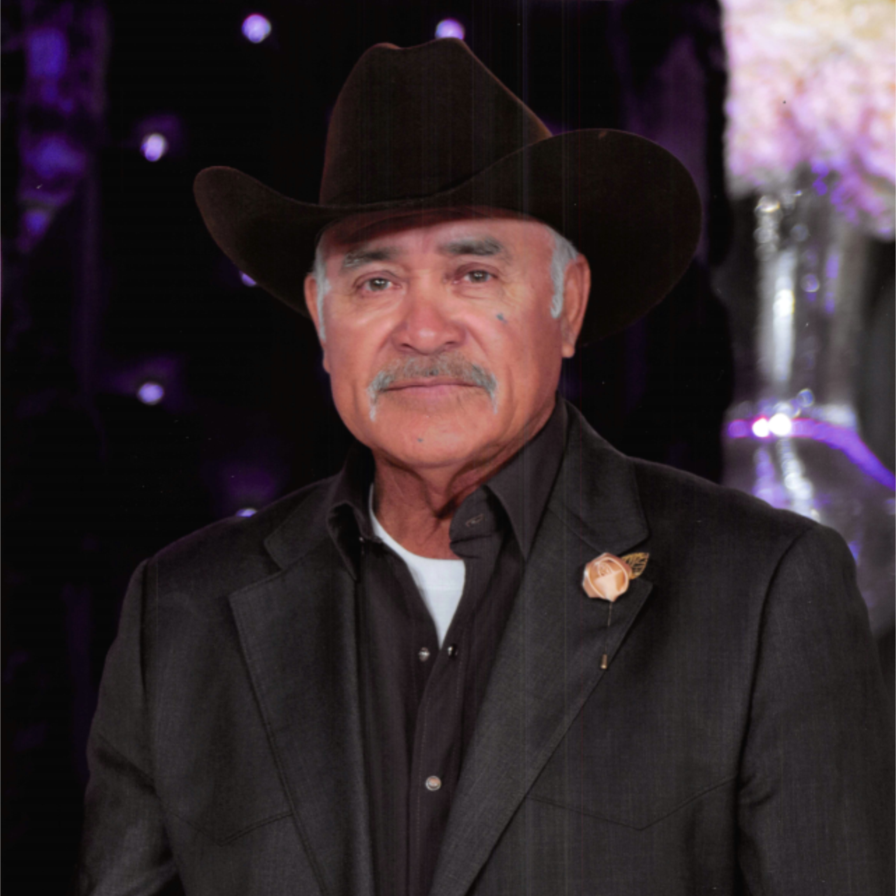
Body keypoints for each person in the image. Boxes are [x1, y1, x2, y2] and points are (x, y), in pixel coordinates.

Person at [77, 38, 896, 896]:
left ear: (567, 305)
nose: (423, 331)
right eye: (375, 282)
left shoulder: (759, 591)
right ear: (321, 316)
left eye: (473, 273)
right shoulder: (182, 615)